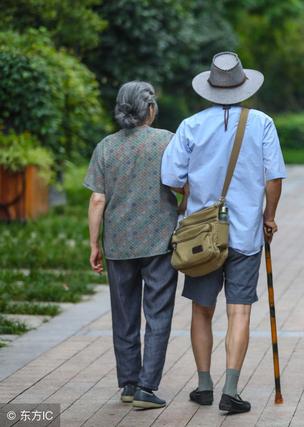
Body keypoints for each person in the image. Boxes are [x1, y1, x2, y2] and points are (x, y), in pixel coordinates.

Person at [161, 52, 286, 414]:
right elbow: (273, 177)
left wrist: (194, 197)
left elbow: (170, 178)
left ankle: (204, 385)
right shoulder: (262, 122)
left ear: (210, 88)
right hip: (246, 232)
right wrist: (270, 216)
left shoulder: (190, 125)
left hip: (203, 237)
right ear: (243, 86)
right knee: (240, 312)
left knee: (202, 311)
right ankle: (231, 390)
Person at [84, 81, 179, 409]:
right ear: (150, 109)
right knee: (158, 314)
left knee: (123, 315)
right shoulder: (167, 141)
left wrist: (94, 243)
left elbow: (98, 199)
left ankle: (128, 383)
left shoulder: (106, 147)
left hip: (118, 246)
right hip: (159, 243)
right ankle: (146, 388)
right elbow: (185, 185)